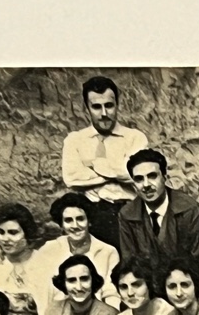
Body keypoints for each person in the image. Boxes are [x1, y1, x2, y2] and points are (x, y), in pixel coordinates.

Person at [117, 148, 199, 301]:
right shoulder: (127, 215)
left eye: (152, 176)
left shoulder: (189, 209)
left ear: (165, 177)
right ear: (134, 184)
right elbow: (131, 264)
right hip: (151, 296)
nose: (146, 185)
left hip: (189, 290)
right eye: (139, 179)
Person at [60, 75, 148, 251]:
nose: (104, 113)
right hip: (93, 215)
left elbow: (136, 174)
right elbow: (71, 179)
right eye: (96, 107)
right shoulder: (74, 140)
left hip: (130, 212)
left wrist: (94, 167)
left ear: (117, 105)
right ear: (87, 109)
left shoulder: (135, 138)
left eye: (109, 105)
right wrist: (119, 170)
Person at [35, 192, 121, 308]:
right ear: (61, 224)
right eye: (68, 220)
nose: (75, 226)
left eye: (80, 219)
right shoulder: (49, 250)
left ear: (89, 221)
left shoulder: (107, 252)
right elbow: (40, 293)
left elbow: (112, 294)